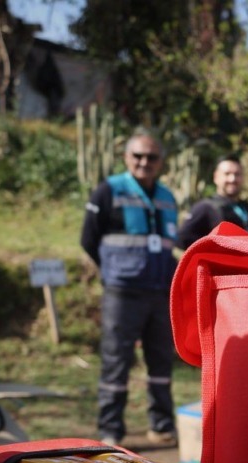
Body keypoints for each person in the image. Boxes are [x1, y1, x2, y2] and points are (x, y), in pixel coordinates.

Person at [80, 130, 180, 446]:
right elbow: (88, 239)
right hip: (122, 292)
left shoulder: (168, 197)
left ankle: (161, 426)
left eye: (151, 157)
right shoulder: (107, 191)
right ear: (126, 158)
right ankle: (111, 430)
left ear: (161, 162)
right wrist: (114, 269)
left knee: (161, 361)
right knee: (116, 361)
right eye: (137, 156)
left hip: (160, 292)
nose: (144, 162)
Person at [177, 154, 248, 248]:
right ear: (216, 177)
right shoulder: (205, 207)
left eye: (237, 174)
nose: (232, 179)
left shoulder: (247, 208)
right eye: (227, 174)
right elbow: (183, 238)